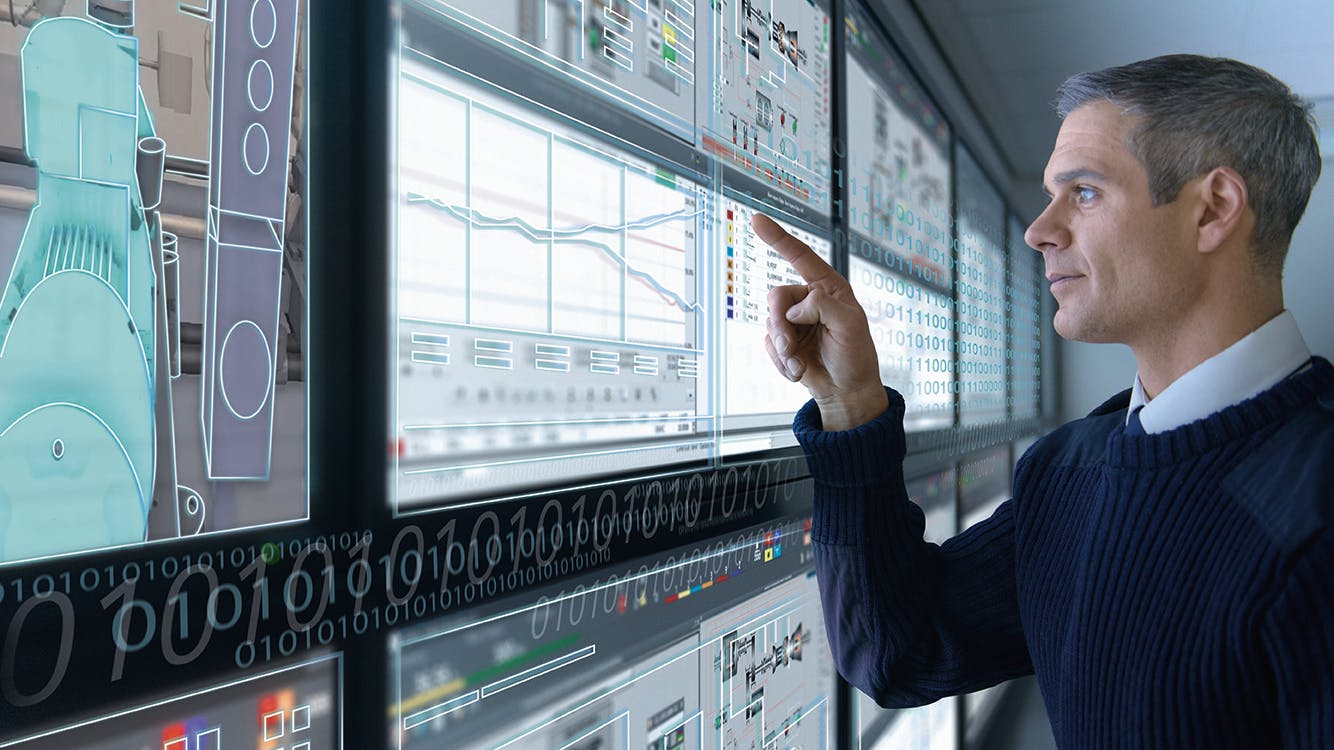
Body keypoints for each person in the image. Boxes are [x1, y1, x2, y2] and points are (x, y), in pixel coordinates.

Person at [755, 54, 1332, 747]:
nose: (1039, 231)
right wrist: (851, 406)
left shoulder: (1315, 513)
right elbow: (896, 652)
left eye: (1084, 193)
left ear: (1211, 211)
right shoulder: (1069, 470)